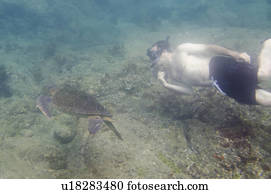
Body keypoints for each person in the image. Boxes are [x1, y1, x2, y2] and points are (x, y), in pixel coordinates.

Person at [146, 37, 271, 106]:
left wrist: (233, 54)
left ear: (163, 52)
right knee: (259, 97)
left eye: (154, 58)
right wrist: (166, 84)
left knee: (262, 75)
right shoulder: (171, 75)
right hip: (219, 84)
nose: (155, 63)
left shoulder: (181, 50)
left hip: (220, 67)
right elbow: (189, 91)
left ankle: (268, 43)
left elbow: (208, 48)